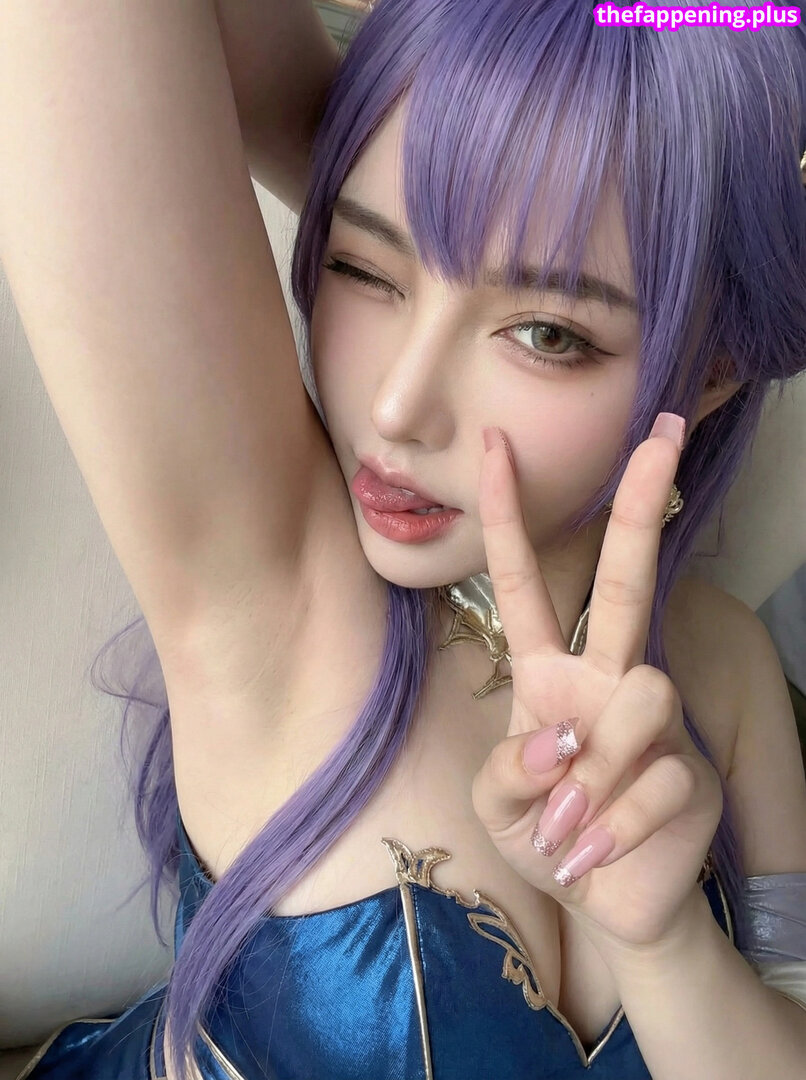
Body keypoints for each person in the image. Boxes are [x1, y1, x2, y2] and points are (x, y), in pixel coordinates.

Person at [2, 1, 806, 1078]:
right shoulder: (278, 589)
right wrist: (453, 125)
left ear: (709, 370)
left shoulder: (727, 672)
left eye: (544, 332)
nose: (395, 407)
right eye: (364, 267)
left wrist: (664, 947)